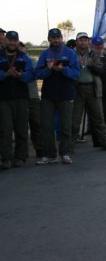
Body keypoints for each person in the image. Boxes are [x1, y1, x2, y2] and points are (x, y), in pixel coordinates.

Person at [34, 28, 80, 164]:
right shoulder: (44, 54)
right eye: (53, 38)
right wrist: (48, 69)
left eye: (58, 37)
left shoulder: (70, 53)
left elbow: (76, 74)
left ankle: (65, 153)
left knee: (66, 126)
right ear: (49, 39)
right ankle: (50, 155)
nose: (56, 40)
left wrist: (63, 69)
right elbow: (37, 74)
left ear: (61, 38)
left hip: (65, 94)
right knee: (47, 126)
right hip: (48, 95)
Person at [71, 33, 106, 152]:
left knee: (99, 118)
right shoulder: (71, 54)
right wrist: (76, 66)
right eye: (81, 40)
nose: (83, 42)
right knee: (75, 121)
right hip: (77, 89)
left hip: (92, 89)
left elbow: (101, 70)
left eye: (85, 40)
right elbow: (67, 69)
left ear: (88, 42)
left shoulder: (93, 54)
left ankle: (105, 143)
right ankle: (68, 147)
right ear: (77, 42)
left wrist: (91, 66)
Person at [0, 31, 34, 169]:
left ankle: (20, 157)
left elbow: (31, 74)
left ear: (18, 41)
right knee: (5, 129)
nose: (12, 43)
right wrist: (4, 74)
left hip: (21, 97)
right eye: (10, 40)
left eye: (15, 40)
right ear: (5, 41)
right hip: (3, 98)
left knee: (21, 129)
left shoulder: (23, 57)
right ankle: (5, 158)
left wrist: (20, 75)